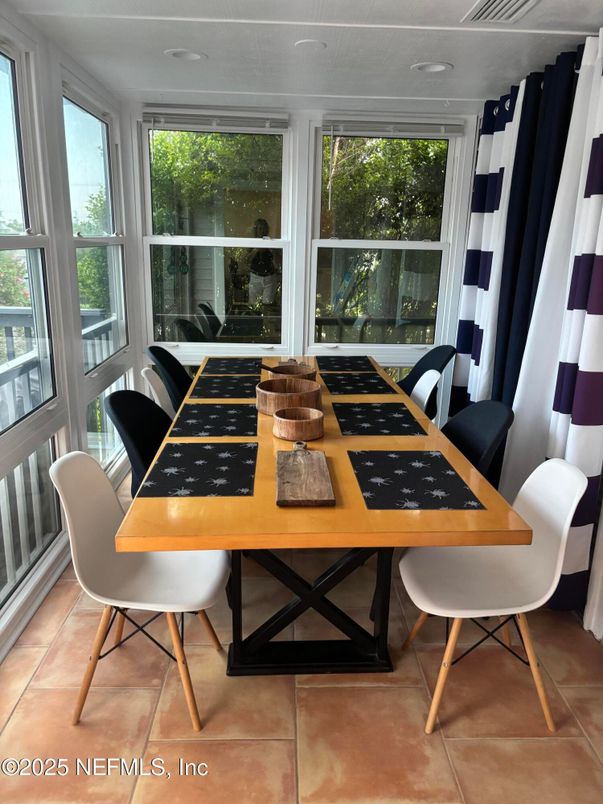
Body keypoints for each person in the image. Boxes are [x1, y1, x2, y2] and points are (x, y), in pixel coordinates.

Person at [247, 218, 280, 306]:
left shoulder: (271, 242)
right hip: (255, 276)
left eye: (264, 228)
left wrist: (271, 247)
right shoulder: (252, 243)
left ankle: (265, 319)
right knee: (253, 304)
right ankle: (255, 319)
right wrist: (256, 249)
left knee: (267, 305)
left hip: (269, 277)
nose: (262, 231)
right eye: (260, 228)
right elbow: (246, 260)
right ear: (256, 230)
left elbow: (278, 262)